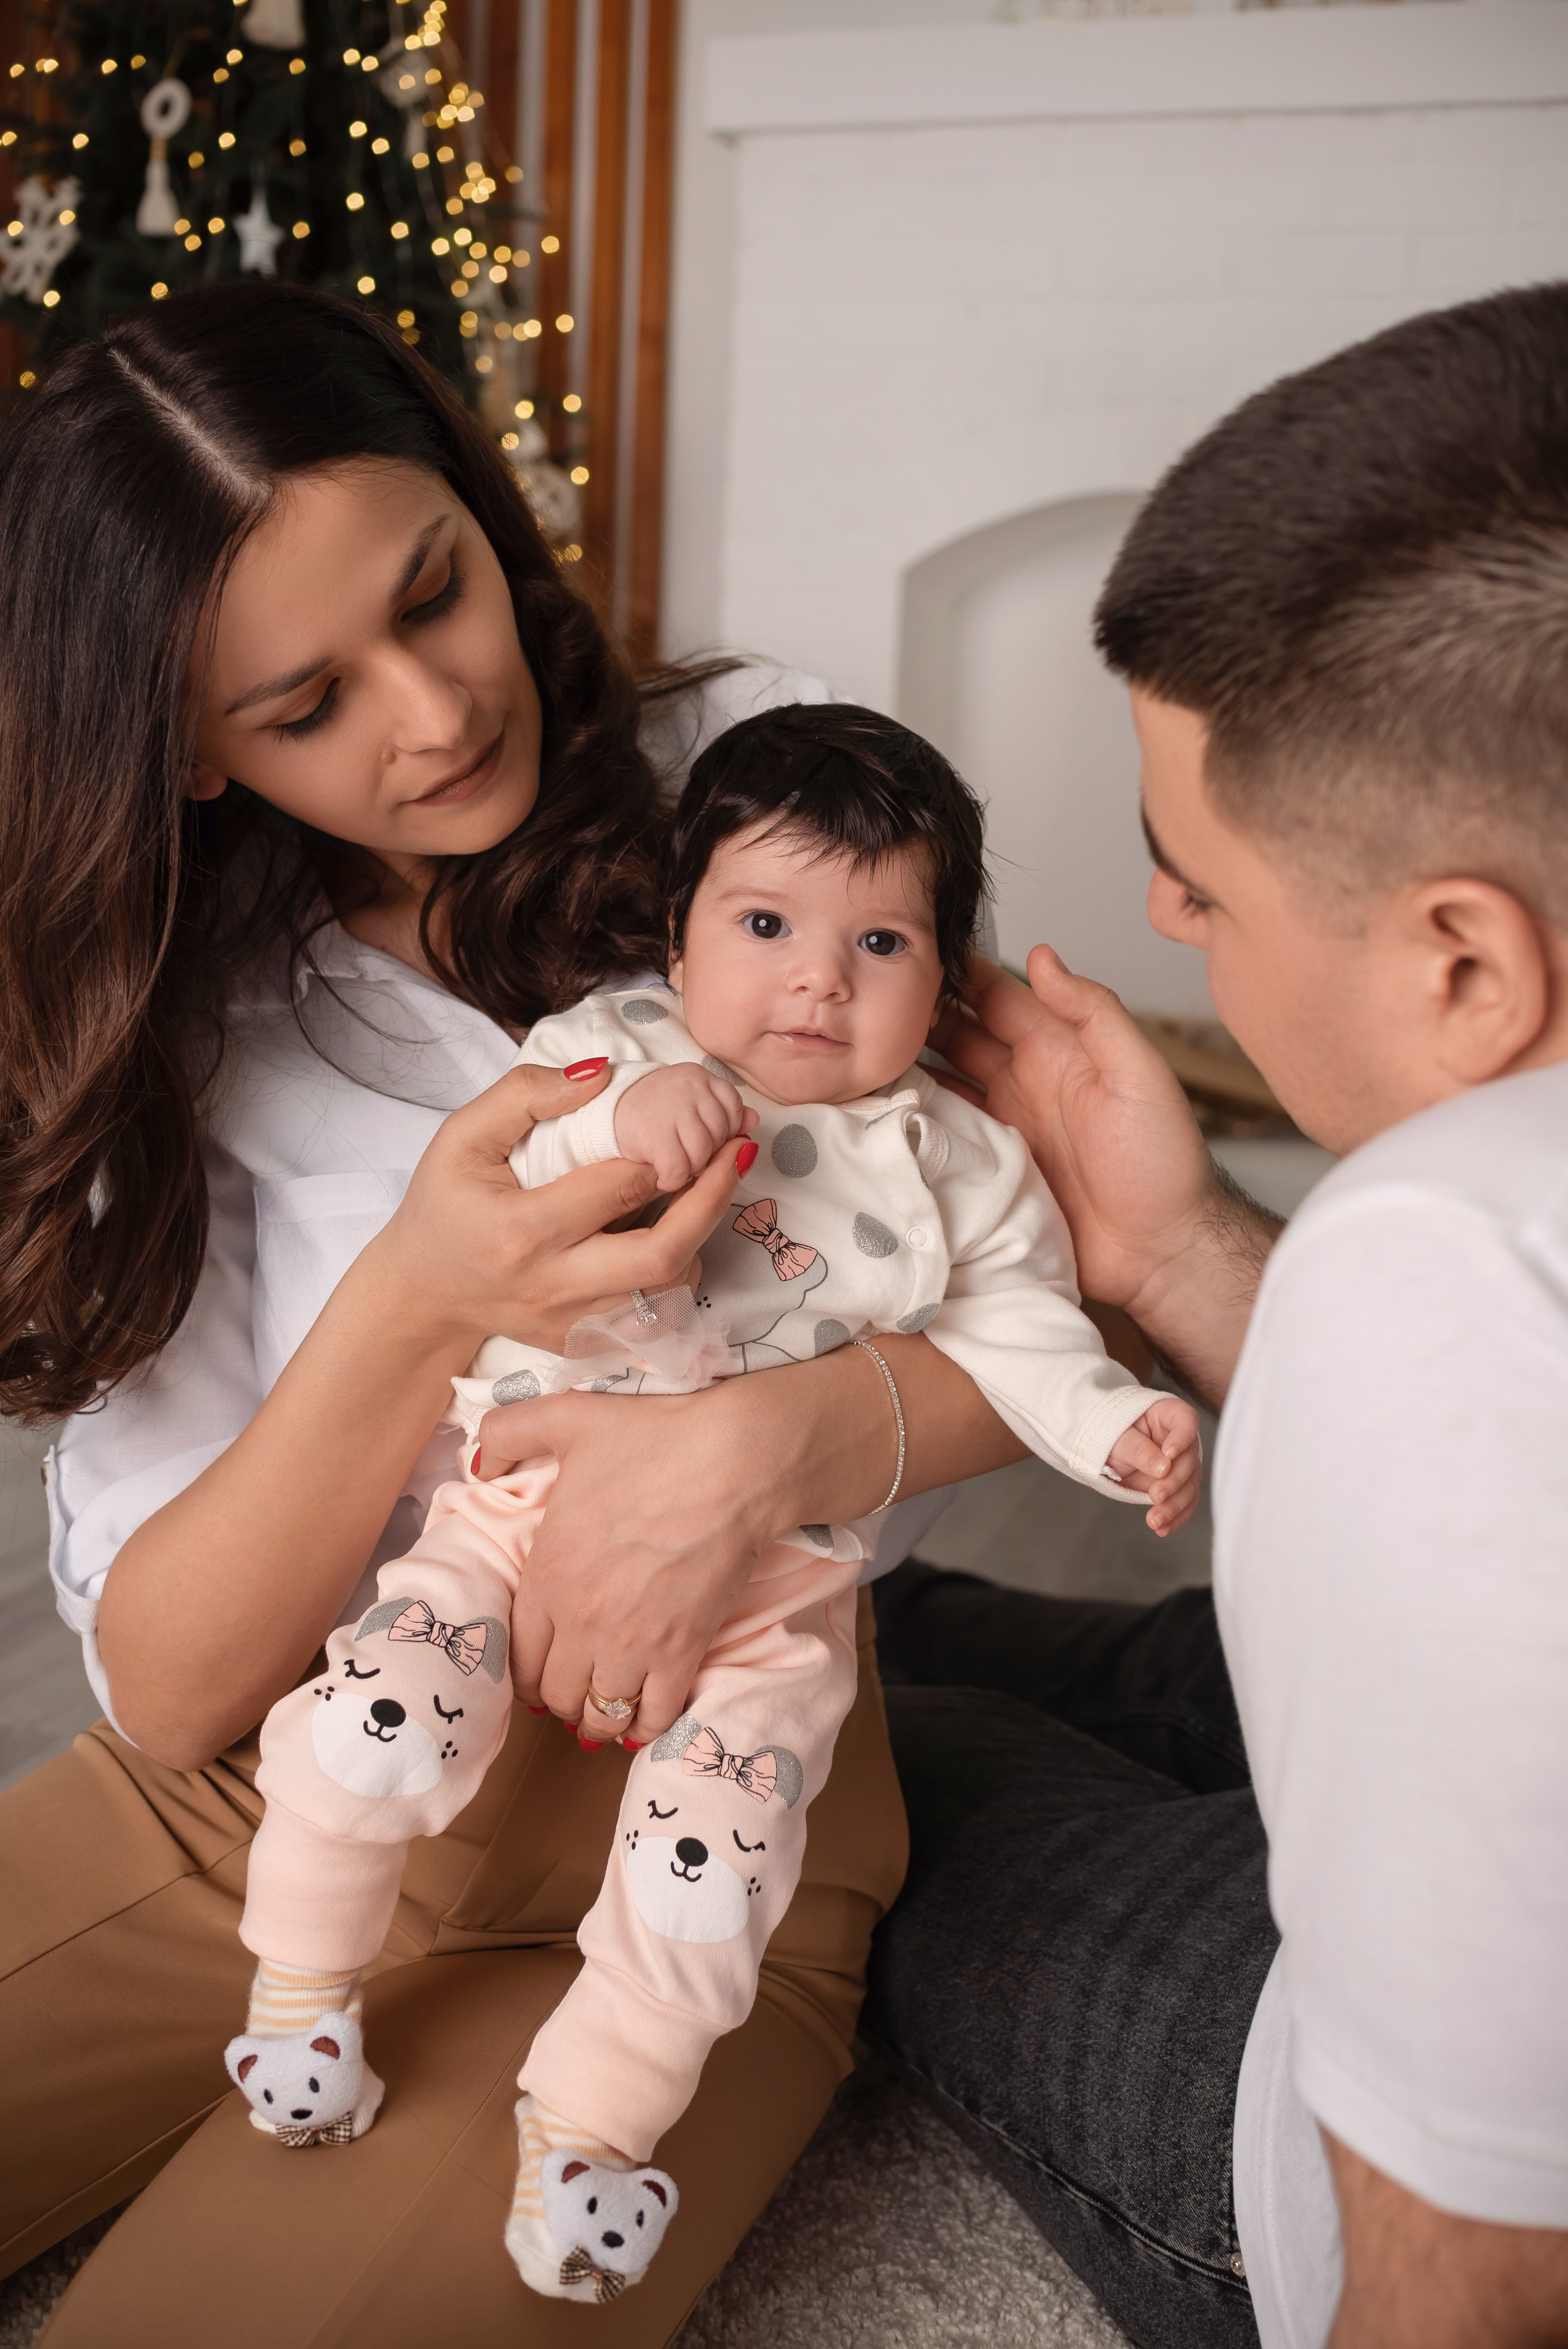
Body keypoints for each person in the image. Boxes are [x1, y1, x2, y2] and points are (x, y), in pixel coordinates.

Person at [0, 284, 1028, 2347]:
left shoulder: (772, 798)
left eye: (435, 592)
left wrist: (755, 1451)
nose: (434, 710)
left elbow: (1043, 1277)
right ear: (186, 758)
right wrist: (418, 1294)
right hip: (268, 1783)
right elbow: (179, 1689)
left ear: (483, 506)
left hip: (690, 1823)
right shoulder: (167, 1025)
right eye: (305, 706)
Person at [217, 701, 1200, 2306]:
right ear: (678, 934)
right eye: (766, 923)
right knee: (385, 1713)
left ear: (946, 979)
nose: (819, 976)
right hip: (523, 1494)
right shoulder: (614, 1047)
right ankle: (301, 1986)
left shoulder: (958, 1157)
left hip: (783, 1586)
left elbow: (1020, 1324)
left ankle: (591, 2133)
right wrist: (618, 1123)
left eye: (881, 939)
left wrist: (1120, 1422)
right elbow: (506, 1188)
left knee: (719, 1864)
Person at [865, 280, 1568, 2349]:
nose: (1166, 918)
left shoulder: (1436, 1259)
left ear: (1461, 961)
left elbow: (1483, 2276)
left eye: (1201, 880)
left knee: (875, 1783)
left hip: (1408, 2207)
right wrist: (1175, 1257)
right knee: (979, 1638)